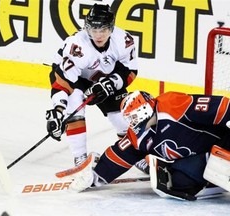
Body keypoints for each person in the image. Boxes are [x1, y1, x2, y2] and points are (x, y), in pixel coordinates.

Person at [58, 90, 230, 200]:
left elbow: (222, 107)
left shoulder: (173, 104)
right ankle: (216, 182)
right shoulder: (138, 136)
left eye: (135, 116)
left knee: (218, 164)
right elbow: (119, 155)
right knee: (178, 183)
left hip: (223, 143)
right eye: (130, 118)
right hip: (200, 157)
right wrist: (95, 176)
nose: (133, 122)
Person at [45, 4, 139, 166]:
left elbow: (130, 71)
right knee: (75, 107)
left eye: (102, 30)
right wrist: (58, 110)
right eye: (94, 30)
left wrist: (110, 84)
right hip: (76, 79)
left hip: (106, 77)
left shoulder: (124, 40)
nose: (98, 35)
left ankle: (133, 155)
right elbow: (62, 83)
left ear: (111, 28)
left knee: (122, 119)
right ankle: (80, 158)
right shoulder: (77, 47)